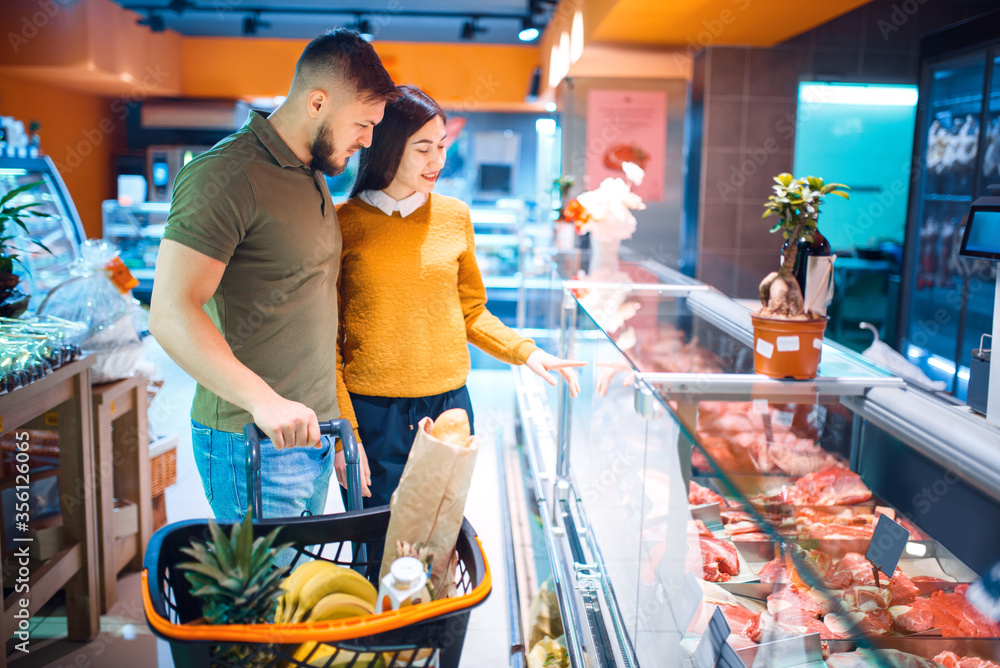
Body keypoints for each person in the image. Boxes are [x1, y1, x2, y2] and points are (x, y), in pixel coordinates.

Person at [148, 29, 397, 521]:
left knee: (301, 593)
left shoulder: (313, 173)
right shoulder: (227, 175)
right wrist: (265, 402)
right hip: (252, 440)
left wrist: (337, 427)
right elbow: (170, 312)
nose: (368, 140)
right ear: (318, 102)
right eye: (363, 124)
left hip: (316, 436)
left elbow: (308, 307)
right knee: (259, 598)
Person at [334, 85, 585, 508]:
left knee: (439, 541)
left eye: (443, 146)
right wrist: (344, 438)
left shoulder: (454, 216)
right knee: (377, 546)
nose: (438, 160)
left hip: (450, 405)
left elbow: (470, 310)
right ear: (388, 147)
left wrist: (527, 352)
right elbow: (328, 343)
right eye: (424, 148)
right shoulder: (344, 223)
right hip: (371, 414)